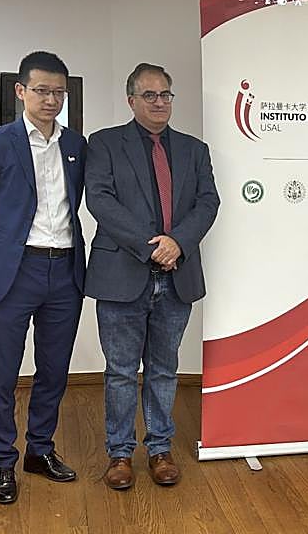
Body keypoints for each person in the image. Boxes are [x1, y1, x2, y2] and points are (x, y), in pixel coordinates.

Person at [85, 63, 220, 491]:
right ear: (131, 100)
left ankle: (160, 448)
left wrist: (177, 242)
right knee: (122, 371)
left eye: (165, 95)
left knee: (164, 369)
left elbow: (208, 201)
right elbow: (101, 201)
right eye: (150, 95)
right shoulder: (104, 143)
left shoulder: (194, 149)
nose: (160, 102)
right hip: (122, 273)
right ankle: (120, 454)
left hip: (177, 274)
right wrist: (151, 245)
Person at [0, 51, 88, 505]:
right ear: (21, 92)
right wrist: (6, 249)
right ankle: (2, 461)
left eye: (59, 92)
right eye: (41, 90)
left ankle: (40, 450)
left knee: (54, 370)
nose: (51, 100)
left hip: (66, 269)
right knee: (2, 372)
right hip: (17, 271)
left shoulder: (76, 145)